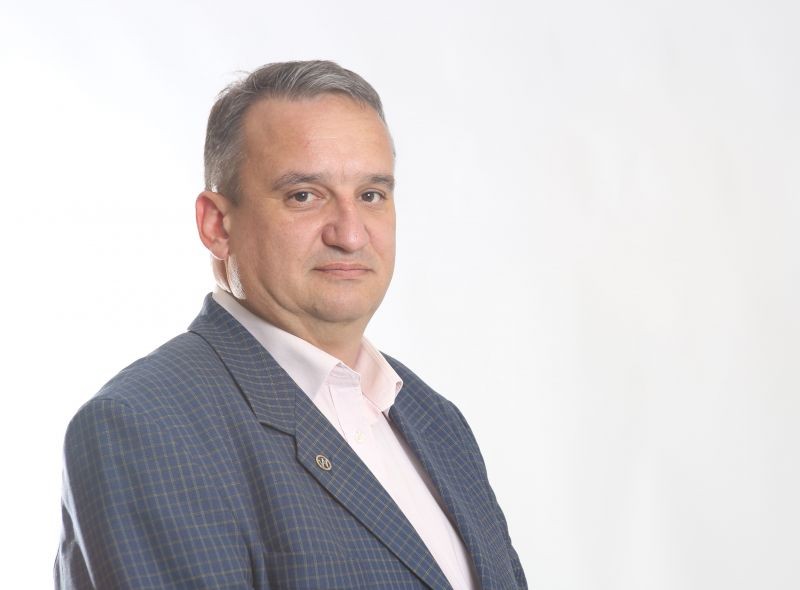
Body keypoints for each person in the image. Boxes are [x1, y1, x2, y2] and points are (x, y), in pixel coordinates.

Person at [55, 60, 527, 590]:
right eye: (304, 195)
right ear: (217, 225)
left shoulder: (435, 420)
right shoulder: (146, 428)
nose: (350, 234)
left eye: (371, 195)